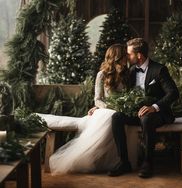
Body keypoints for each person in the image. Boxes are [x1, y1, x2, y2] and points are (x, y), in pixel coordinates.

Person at [43, 43, 132, 174]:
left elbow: (129, 95)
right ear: (117, 57)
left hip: (122, 110)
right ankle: (97, 158)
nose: (127, 58)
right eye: (125, 55)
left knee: (116, 118)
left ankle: (120, 160)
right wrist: (110, 107)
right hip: (107, 108)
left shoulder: (127, 74)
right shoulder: (102, 75)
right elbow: (98, 99)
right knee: (108, 117)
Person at [108, 38, 179, 178]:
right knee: (116, 117)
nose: (126, 56)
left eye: (129, 54)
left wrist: (154, 107)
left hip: (158, 114)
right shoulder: (132, 70)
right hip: (137, 113)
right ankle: (124, 162)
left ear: (139, 55)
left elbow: (173, 93)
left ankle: (148, 163)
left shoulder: (159, 69)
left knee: (146, 119)